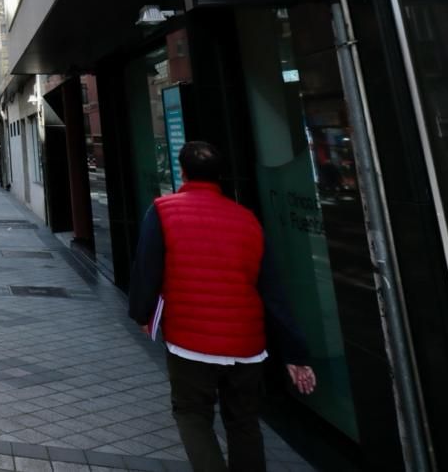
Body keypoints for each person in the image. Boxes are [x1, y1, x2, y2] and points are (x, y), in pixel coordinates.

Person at [128, 141, 316, 472]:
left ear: (182, 171)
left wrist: (142, 315)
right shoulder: (247, 220)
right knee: (244, 422)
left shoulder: (163, 210)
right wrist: (295, 354)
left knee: (191, 413)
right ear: (220, 176)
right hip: (247, 346)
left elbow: (147, 269)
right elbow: (272, 291)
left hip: (191, 343)